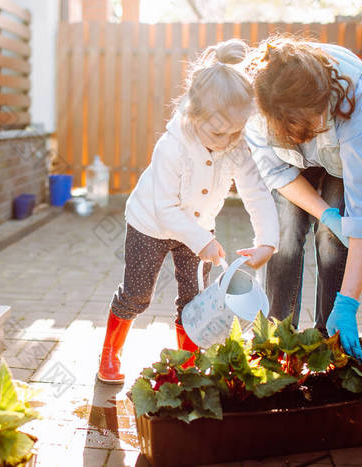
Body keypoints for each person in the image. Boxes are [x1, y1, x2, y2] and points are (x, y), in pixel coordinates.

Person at [97, 39, 280, 384]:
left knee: (194, 299)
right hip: (150, 225)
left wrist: (267, 241)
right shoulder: (171, 146)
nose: (227, 141)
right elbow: (165, 208)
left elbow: (256, 191)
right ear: (193, 114)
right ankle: (110, 351)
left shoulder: (235, 144)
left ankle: (187, 363)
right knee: (137, 295)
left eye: (236, 132)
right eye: (218, 132)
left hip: (199, 228)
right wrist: (202, 241)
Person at [243, 37, 362, 361]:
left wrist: (349, 303)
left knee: (334, 240)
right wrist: (325, 213)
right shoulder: (256, 106)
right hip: (290, 161)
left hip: (344, 153)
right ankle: (276, 341)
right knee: (286, 235)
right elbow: (278, 174)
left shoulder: (352, 99)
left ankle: (329, 341)